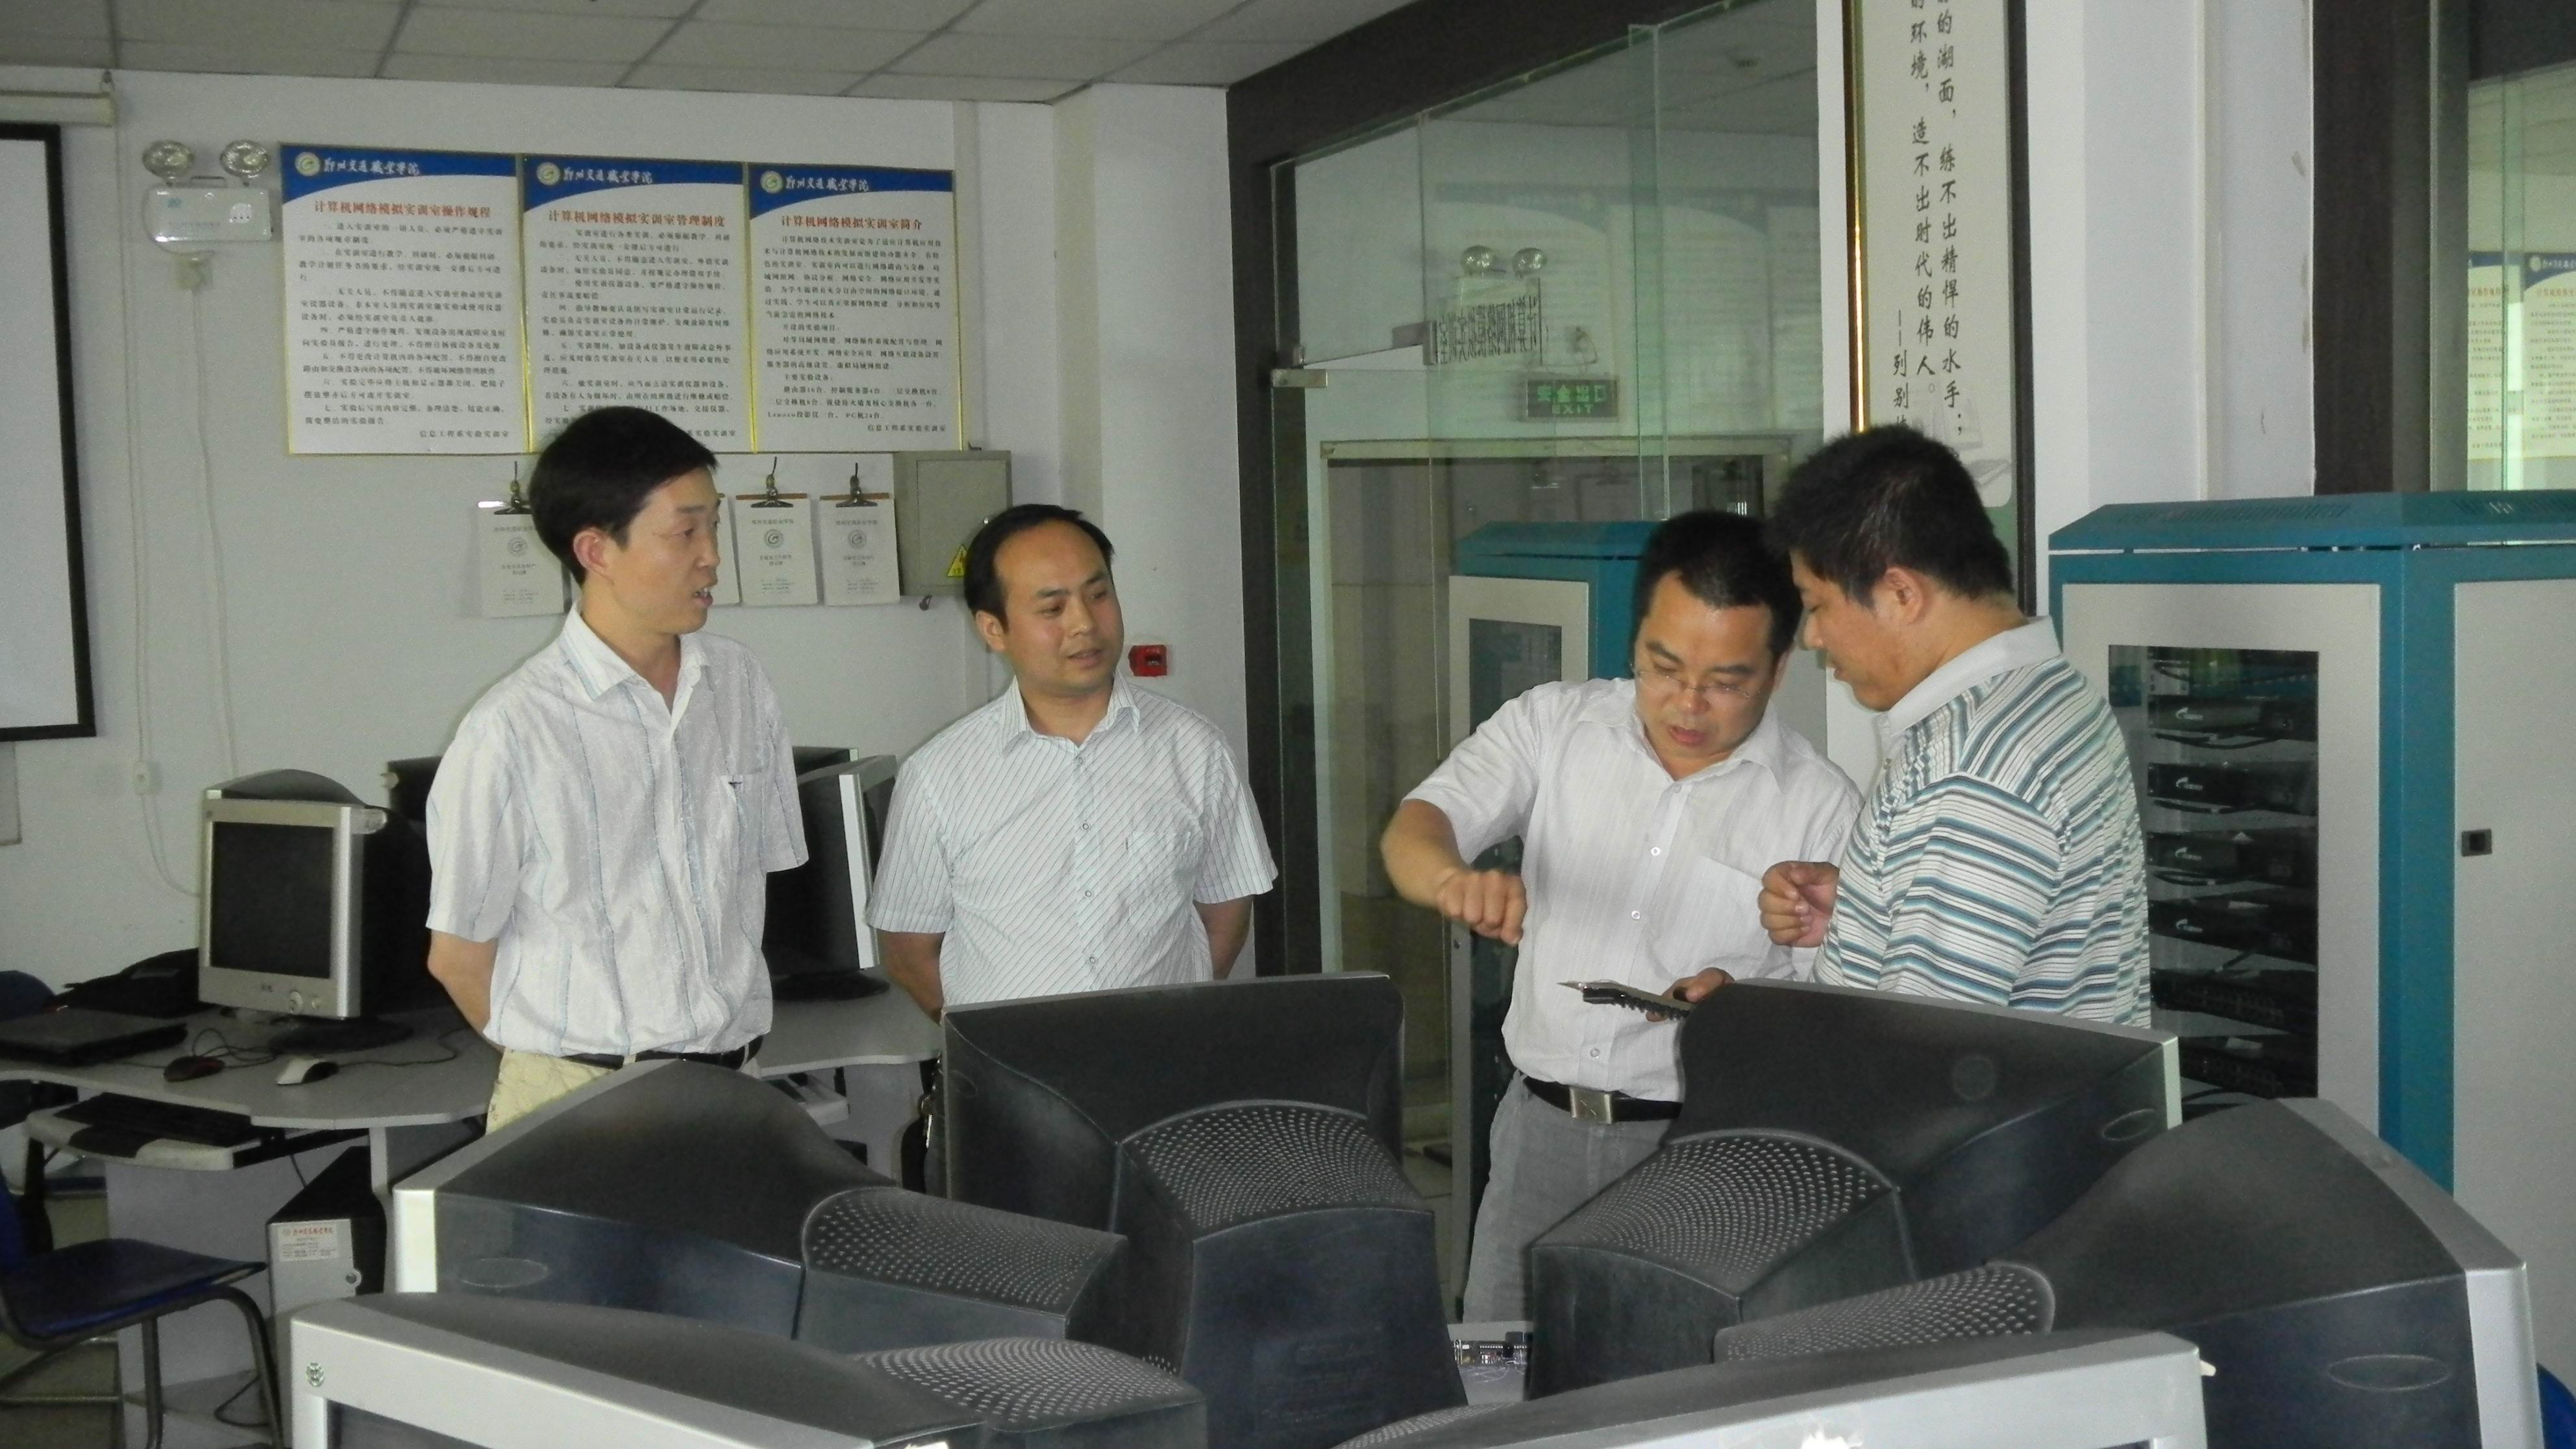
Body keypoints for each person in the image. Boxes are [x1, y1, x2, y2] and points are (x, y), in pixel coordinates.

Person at [1381, 510, 1860, 1321]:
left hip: (1697, 1152)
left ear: (1779, 669)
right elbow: (1417, 827)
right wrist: (1452, 880)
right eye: (1662, 667)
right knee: (1504, 1367)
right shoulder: (1554, 725)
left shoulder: (1820, 807)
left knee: (1668, 1373)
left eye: (1725, 681)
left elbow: (1837, 1017)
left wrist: (1741, 1008)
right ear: (1636, 639)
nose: (1687, 703)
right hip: (1538, 1134)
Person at [424, 406, 804, 1132]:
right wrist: (566, 1071)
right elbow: (458, 958)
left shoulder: (738, 684)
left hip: (733, 1084)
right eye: (683, 533)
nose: (711, 557)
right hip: (578, 1099)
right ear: (596, 550)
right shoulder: (512, 729)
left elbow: (750, 885)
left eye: (714, 526)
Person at [1757, 425, 2149, 1024]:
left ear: (1901, 593)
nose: (1811, 637)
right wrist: (1871, 915)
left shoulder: (1969, 772)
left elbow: (1926, 1053)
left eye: (1817, 605)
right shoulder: (2053, 691)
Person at [868, 504, 1276, 1021]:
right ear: (994, 629)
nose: (1084, 623)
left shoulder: (1195, 751)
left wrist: (1165, 1023)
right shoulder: (938, 776)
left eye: (1098, 595)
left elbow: (1226, 912)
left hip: (1161, 1054)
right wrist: (995, 1048)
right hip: (1011, 1064)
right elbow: (909, 952)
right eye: (1053, 608)